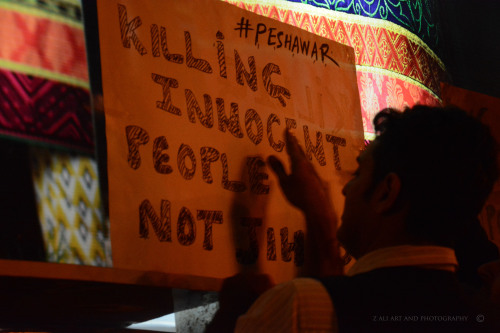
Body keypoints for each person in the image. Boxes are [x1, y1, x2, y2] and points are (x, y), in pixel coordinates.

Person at [209, 105, 500, 332]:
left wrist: (231, 317)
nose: (346, 188)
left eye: (358, 174)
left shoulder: (300, 306)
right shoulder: (484, 317)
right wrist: (318, 216)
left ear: (387, 192)